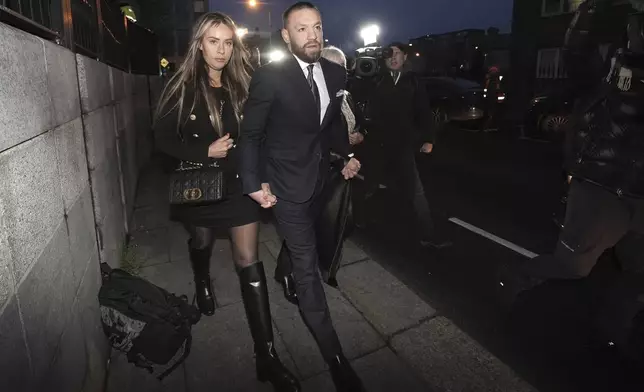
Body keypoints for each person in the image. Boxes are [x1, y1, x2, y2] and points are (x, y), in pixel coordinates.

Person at [153, 12, 300, 391]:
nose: (221, 50)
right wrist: (204, 150)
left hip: (239, 184)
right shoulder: (181, 85)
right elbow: (163, 140)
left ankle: (266, 356)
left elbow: (258, 136)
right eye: (213, 41)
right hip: (202, 184)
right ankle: (202, 278)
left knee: (250, 261)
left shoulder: (243, 83)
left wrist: (263, 177)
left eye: (227, 42)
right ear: (199, 43)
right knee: (201, 240)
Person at [238, 3, 366, 391]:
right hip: (285, 186)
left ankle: (284, 273)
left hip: (319, 181)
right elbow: (252, 135)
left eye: (317, 27)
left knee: (303, 245)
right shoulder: (269, 77)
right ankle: (336, 358)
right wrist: (252, 182)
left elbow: (323, 128)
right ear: (286, 36)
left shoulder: (335, 71)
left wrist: (346, 155)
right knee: (309, 268)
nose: (312, 35)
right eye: (302, 29)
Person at [503, 0, 644, 302]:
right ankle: (518, 284)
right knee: (573, 265)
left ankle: (617, 329)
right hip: (601, 189)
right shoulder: (604, 81)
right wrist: (588, 8)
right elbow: (576, 52)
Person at [352, 42, 451, 248]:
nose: (393, 57)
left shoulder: (414, 81)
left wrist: (429, 139)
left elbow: (423, 111)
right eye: (389, 54)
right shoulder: (376, 79)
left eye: (398, 54)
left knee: (417, 191)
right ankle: (357, 216)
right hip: (377, 143)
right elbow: (358, 99)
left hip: (403, 145)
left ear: (405, 57)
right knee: (369, 185)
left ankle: (428, 235)